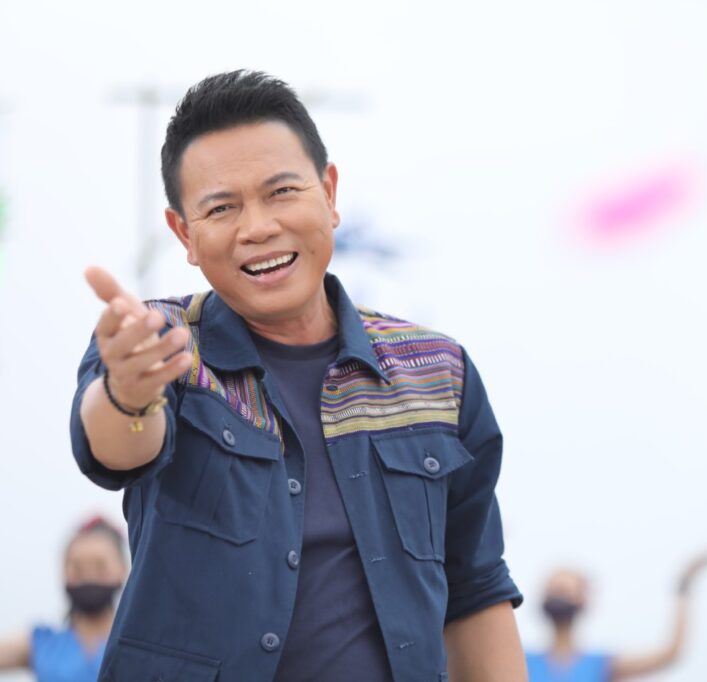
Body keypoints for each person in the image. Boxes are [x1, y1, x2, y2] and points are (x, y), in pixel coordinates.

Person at [69, 70, 524, 682]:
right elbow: (116, 448)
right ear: (185, 234)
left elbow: (475, 588)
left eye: (281, 191)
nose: (257, 227)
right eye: (221, 207)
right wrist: (129, 396)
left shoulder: (437, 372)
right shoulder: (160, 341)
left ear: (329, 194)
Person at [526, 550, 707, 681]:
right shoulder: (523, 661)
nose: (558, 597)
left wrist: (684, 586)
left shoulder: (601, 665)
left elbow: (670, 653)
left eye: (564, 591)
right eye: (553, 591)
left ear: (583, 600)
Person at [0, 516, 129, 682]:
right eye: (77, 568)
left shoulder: (137, 646)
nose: (89, 577)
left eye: (100, 567)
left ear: (122, 569)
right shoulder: (43, 644)